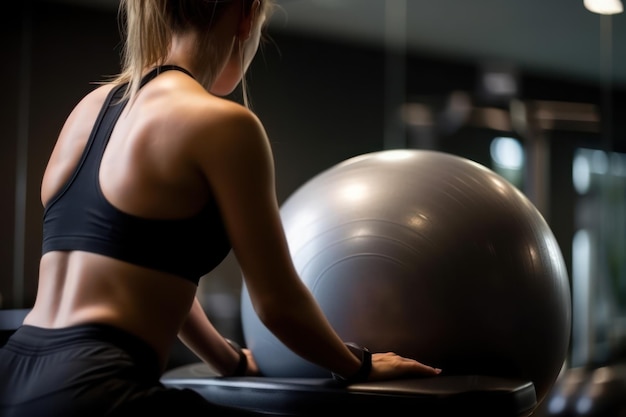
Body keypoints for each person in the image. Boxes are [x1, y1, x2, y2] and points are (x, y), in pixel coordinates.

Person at [0, 0, 442, 416]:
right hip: (95, 387)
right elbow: (279, 304)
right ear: (246, 16)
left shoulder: (88, 110)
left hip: (14, 370)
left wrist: (227, 360)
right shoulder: (224, 124)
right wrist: (360, 366)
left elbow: (148, 269)